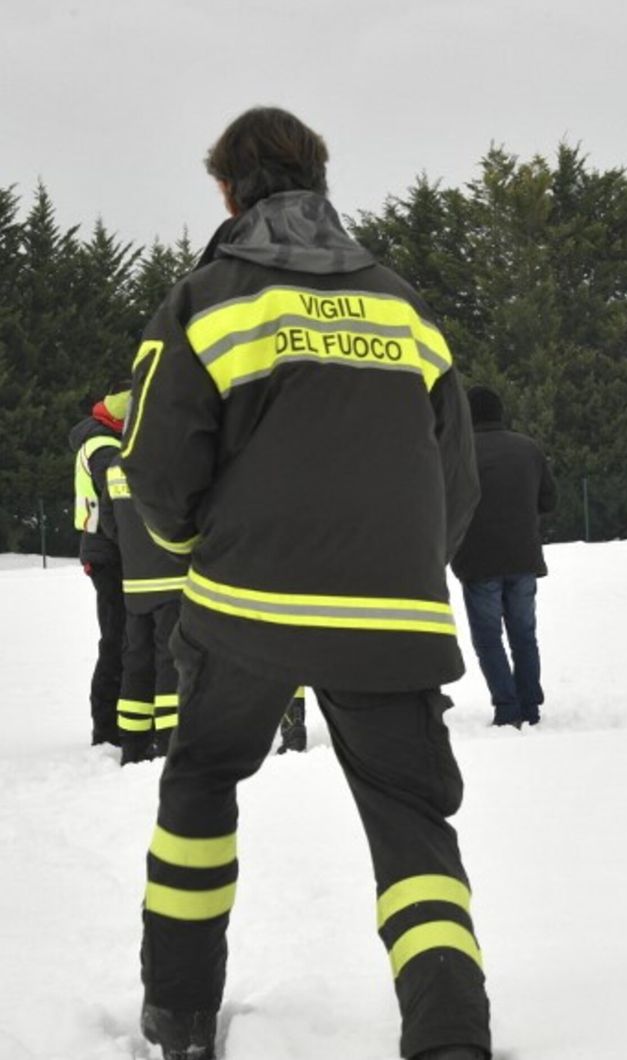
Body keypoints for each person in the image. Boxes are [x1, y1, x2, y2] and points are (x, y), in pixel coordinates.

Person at [121, 106, 489, 1060]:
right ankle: (450, 1035)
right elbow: (457, 476)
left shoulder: (208, 297)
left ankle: (180, 1016)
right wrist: (405, 571)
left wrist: (197, 542)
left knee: (201, 779)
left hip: (247, 604)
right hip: (394, 611)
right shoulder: (402, 304)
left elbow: (157, 470)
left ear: (227, 190)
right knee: (411, 821)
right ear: (321, 181)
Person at [451, 386, 556, 728]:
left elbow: (445, 505)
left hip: (478, 561)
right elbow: (549, 502)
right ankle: (530, 706)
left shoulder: (457, 452)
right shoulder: (528, 448)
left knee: (488, 638)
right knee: (524, 635)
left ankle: (507, 707)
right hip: (524, 557)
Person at [100, 452, 189, 764]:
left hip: (135, 584)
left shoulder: (113, 467)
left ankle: (133, 745)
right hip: (173, 579)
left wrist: (134, 548)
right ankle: (169, 740)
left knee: (136, 661)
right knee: (170, 660)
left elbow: (108, 524)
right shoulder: (170, 455)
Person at [69, 383, 130, 747]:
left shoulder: (98, 438)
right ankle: (107, 727)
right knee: (118, 638)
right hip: (110, 552)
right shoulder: (104, 446)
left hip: (104, 551)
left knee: (120, 636)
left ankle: (113, 721)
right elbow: (117, 508)